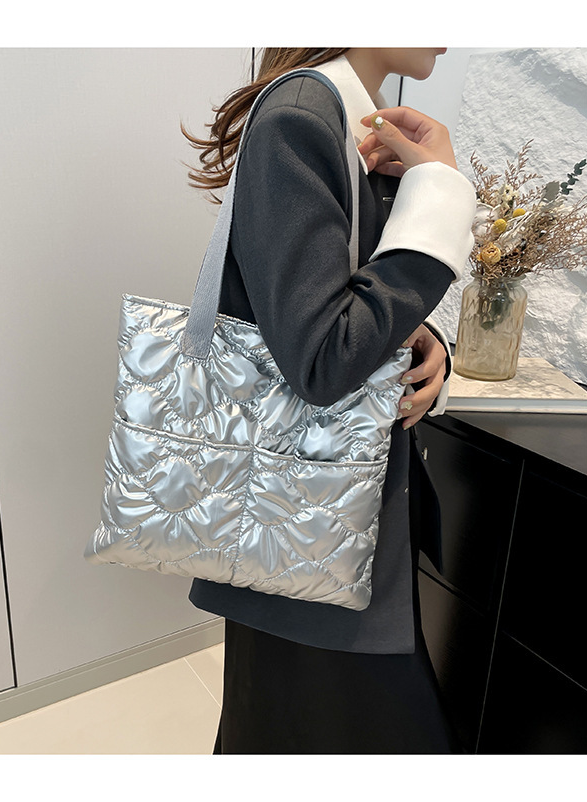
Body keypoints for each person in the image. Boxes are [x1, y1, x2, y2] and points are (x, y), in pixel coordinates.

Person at [181, 48, 476, 754]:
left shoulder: (341, 123)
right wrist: (441, 192)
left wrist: (421, 335)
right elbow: (323, 357)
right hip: (310, 524)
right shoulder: (301, 116)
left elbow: (339, 308)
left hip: (321, 519)